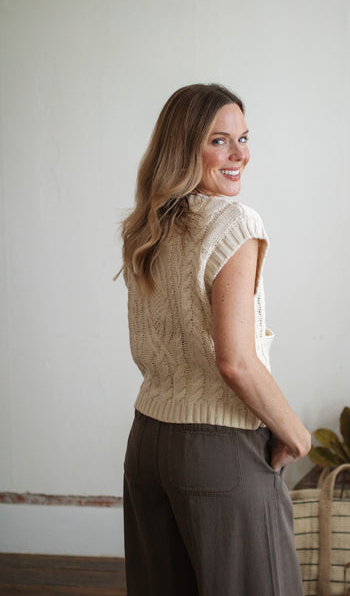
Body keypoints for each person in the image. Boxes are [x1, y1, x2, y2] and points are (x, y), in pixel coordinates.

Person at [118, 83, 311, 596]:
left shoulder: (147, 225)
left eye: (243, 138)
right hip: (219, 450)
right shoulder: (234, 222)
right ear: (185, 147)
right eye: (219, 141)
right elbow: (236, 361)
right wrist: (296, 433)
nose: (239, 155)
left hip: (148, 443)